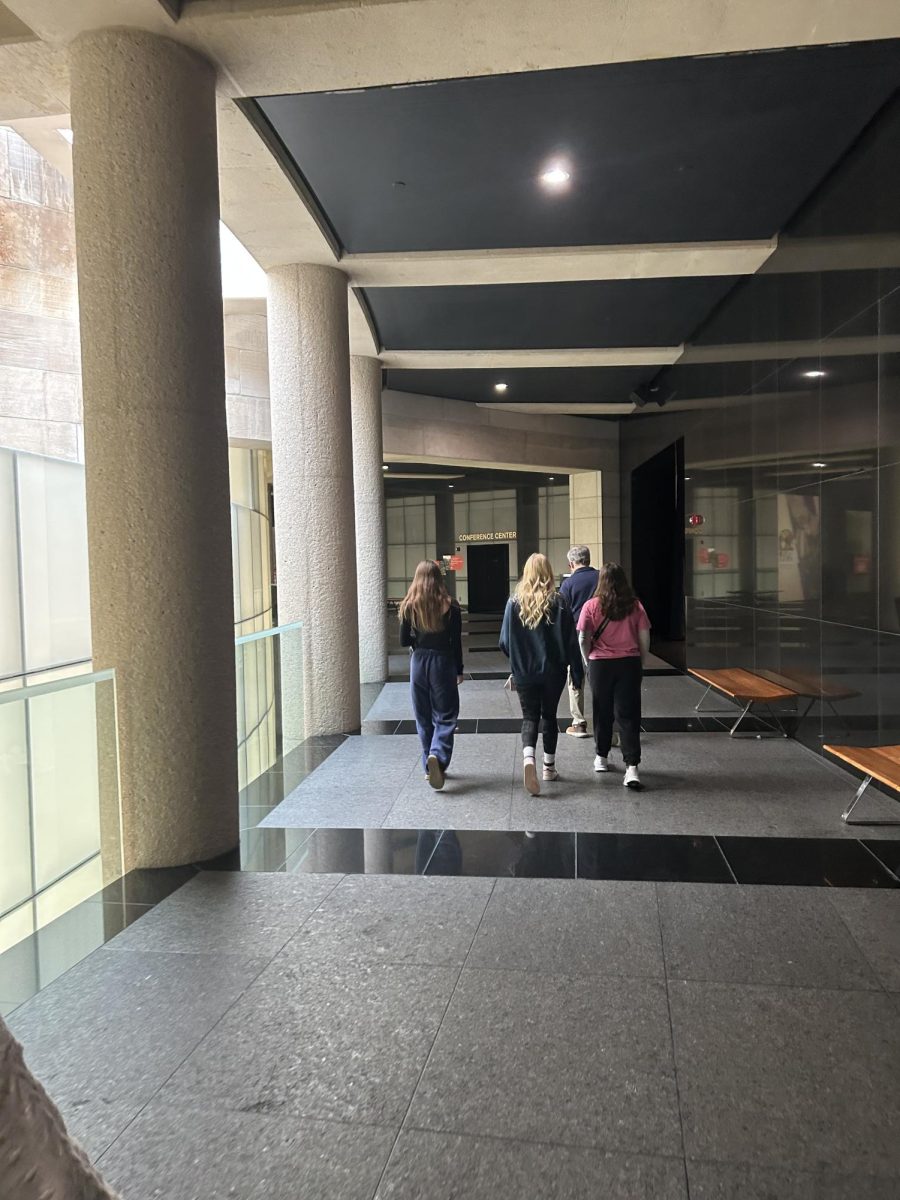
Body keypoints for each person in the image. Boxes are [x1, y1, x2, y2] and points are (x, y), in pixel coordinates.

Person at [500, 552, 583, 796]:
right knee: (549, 716)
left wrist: (517, 661)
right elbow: (571, 643)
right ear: (547, 573)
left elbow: (504, 641)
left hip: (524, 673)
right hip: (553, 672)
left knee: (529, 717)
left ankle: (528, 759)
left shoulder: (513, 603)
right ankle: (549, 768)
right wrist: (576, 673)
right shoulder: (560, 602)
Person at [577, 562, 651, 790]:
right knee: (628, 715)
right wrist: (641, 661)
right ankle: (632, 767)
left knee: (602, 711)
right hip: (628, 663)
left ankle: (601, 757)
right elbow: (645, 637)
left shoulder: (590, 606)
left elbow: (582, 637)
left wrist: (588, 659)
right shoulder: (635, 606)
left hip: (600, 664)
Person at [400, 561, 464, 791]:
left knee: (423, 715)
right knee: (446, 715)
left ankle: (429, 767)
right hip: (443, 661)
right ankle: (437, 754)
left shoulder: (409, 606)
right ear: (439, 578)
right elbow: (456, 642)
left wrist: (418, 639)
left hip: (418, 662)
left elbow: (404, 641)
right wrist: (459, 670)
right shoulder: (451, 606)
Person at [559, 545, 599, 738]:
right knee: (601, 679)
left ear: (571, 563)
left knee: (575, 677)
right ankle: (606, 723)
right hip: (602, 635)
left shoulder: (568, 585)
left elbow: (562, 614)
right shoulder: (602, 578)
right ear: (588, 559)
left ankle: (579, 723)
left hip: (576, 636)